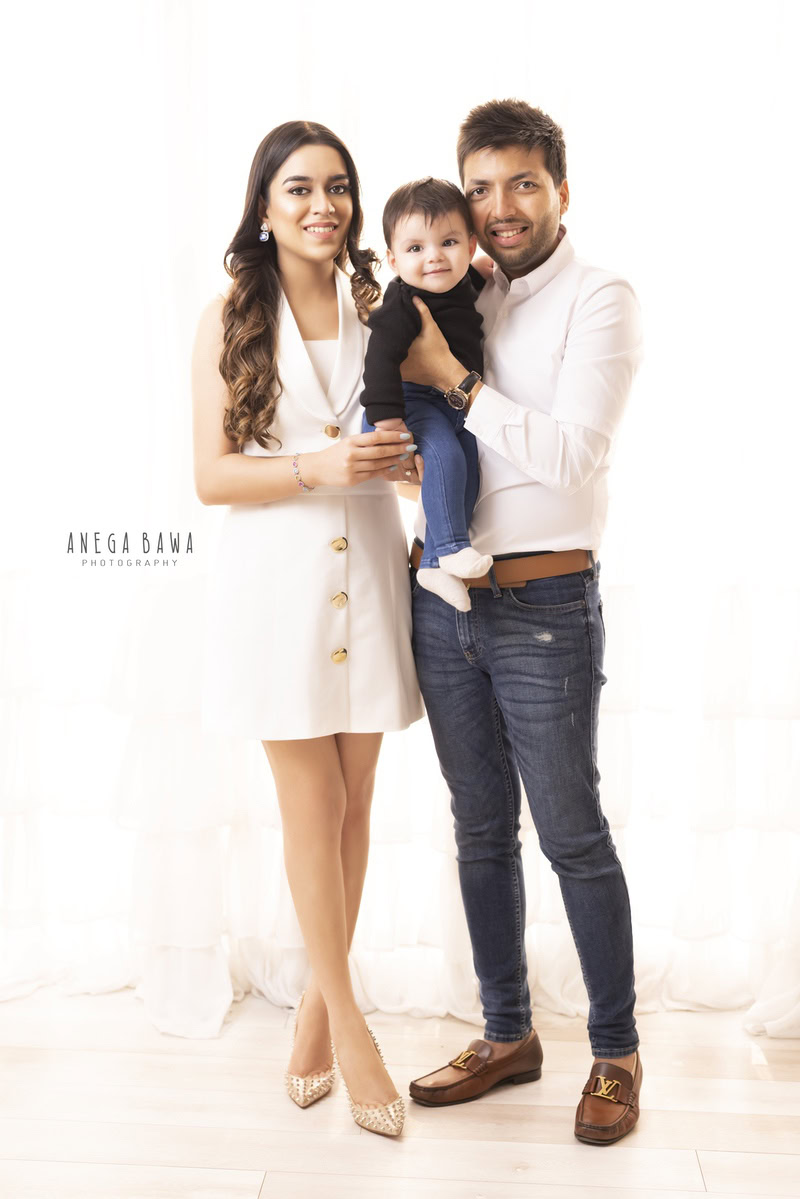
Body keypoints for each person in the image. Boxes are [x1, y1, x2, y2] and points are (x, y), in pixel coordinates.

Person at [401, 99, 645, 1146]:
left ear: (559, 191)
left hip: (544, 605)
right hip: (445, 603)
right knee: (475, 828)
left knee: (571, 834)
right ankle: (507, 1033)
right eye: (481, 186)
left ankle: (615, 1049)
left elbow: (566, 457)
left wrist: (448, 381)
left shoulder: (600, 298)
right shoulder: (457, 288)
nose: (498, 209)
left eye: (520, 185)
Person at [191, 120, 424, 1138]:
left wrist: (411, 461)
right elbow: (208, 476)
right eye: (299, 189)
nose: (322, 204)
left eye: (337, 187)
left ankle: (314, 1019)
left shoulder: (382, 307)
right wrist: (313, 468)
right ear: (264, 207)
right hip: (276, 589)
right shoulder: (227, 317)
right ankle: (353, 1028)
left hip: (369, 574)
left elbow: (415, 435)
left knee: (356, 802)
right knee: (312, 802)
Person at [360, 178, 490, 611]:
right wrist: (388, 422)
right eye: (416, 249)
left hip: (452, 406)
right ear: (394, 260)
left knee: (469, 466)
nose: (434, 256)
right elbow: (378, 359)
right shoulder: (403, 303)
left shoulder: (460, 281)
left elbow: (465, 278)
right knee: (445, 458)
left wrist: (486, 271)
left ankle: (434, 564)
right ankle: (452, 546)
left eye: (448, 242)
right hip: (408, 405)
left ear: (471, 246)